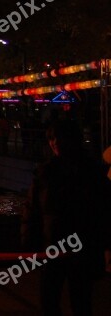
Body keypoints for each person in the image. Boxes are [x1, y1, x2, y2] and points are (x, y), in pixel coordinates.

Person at [22, 120, 110, 316]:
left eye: (58, 138)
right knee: (54, 302)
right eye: (51, 139)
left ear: (72, 139)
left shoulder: (88, 172)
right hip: (55, 247)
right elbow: (32, 210)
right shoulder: (47, 173)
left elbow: (102, 210)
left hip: (75, 248)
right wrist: (29, 242)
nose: (54, 143)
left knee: (78, 302)